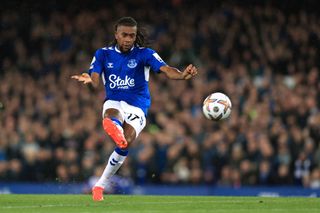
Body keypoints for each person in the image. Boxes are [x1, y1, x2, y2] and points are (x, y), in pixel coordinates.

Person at [72, 17, 197, 201]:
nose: (128, 39)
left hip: (138, 107)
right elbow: (96, 80)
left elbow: (166, 69)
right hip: (114, 101)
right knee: (111, 114)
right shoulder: (103, 54)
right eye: (124, 35)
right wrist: (90, 80)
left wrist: (181, 75)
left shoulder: (145, 54)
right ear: (116, 35)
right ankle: (112, 124)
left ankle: (99, 185)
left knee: (125, 143)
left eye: (132, 35)